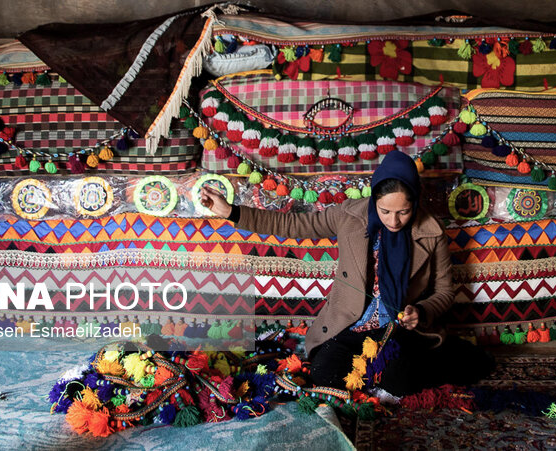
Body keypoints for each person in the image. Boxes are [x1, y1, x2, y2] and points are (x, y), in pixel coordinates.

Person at [200, 150, 494, 397]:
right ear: (374, 200)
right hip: (353, 326)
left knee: (398, 380)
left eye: (403, 212)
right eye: (385, 211)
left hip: (399, 331)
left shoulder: (431, 233)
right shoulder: (348, 216)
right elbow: (291, 225)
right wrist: (231, 212)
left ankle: (426, 361)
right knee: (323, 372)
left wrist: (421, 311)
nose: (394, 220)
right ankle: (380, 371)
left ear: (415, 201)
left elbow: (444, 292)